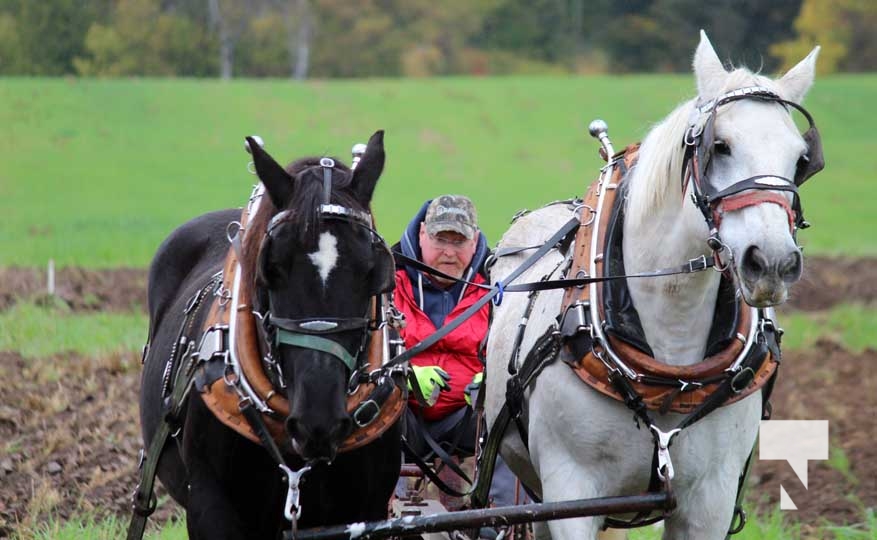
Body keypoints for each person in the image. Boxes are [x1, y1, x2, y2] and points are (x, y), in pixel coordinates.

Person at [393, 194, 518, 508]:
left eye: (459, 241)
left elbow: (513, 351)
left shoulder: (497, 288)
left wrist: (490, 379)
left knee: (510, 416)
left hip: (469, 417)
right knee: (374, 412)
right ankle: (383, 515)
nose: (449, 252)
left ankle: (498, 519)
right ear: (422, 234)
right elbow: (369, 353)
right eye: (440, 239)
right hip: (403, 414)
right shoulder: (386, 283)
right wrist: (403, 376)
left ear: (474, 242)